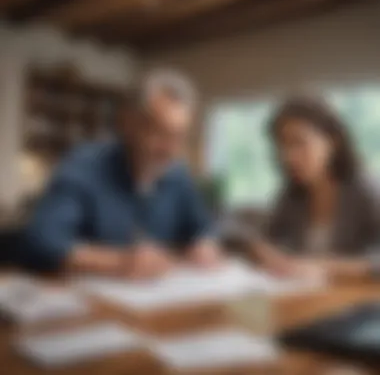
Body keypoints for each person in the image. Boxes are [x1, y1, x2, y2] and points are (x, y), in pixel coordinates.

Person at [22, 69, 223, 277]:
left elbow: (203, 227)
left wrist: (204, 244)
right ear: (128, 124)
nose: (170, 150)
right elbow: (43, 241)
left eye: (179, 137)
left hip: (159, 300)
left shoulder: (178, 175)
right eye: (159, 133)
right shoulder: (83, 167)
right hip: (89, 300)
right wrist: (119, 261)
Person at [250, 95, 380, 281]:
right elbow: (265, 239)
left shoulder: (367, 191)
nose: (288, 157)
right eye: (281, 145)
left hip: (358, 302)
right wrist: (265, 253)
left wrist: (323, 266)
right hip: (305, 298)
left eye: (299, 142)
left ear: (332, 142)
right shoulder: (291, 195)